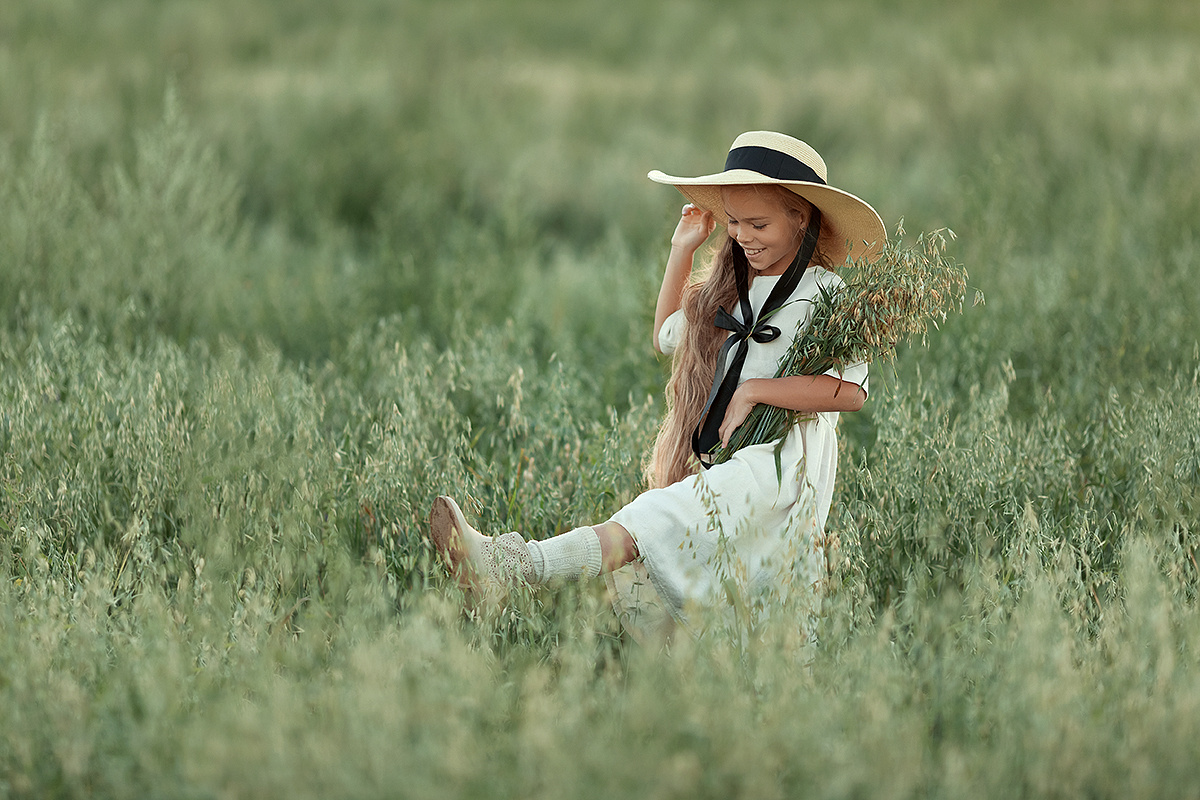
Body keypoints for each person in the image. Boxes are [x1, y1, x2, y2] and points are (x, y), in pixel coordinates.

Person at [430, 131, 886, 642]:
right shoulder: (735, 288)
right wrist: (682, 248)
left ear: (801, 217)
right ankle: (658, 676)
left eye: (759, 224)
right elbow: (666, 333)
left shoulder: (826, 292)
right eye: (734, 223)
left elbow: (851, 392)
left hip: (783, 462)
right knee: (711, 580)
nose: (744, 236)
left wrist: (755, 391)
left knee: (654, 517)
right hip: (736, 458)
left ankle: (512, 566)